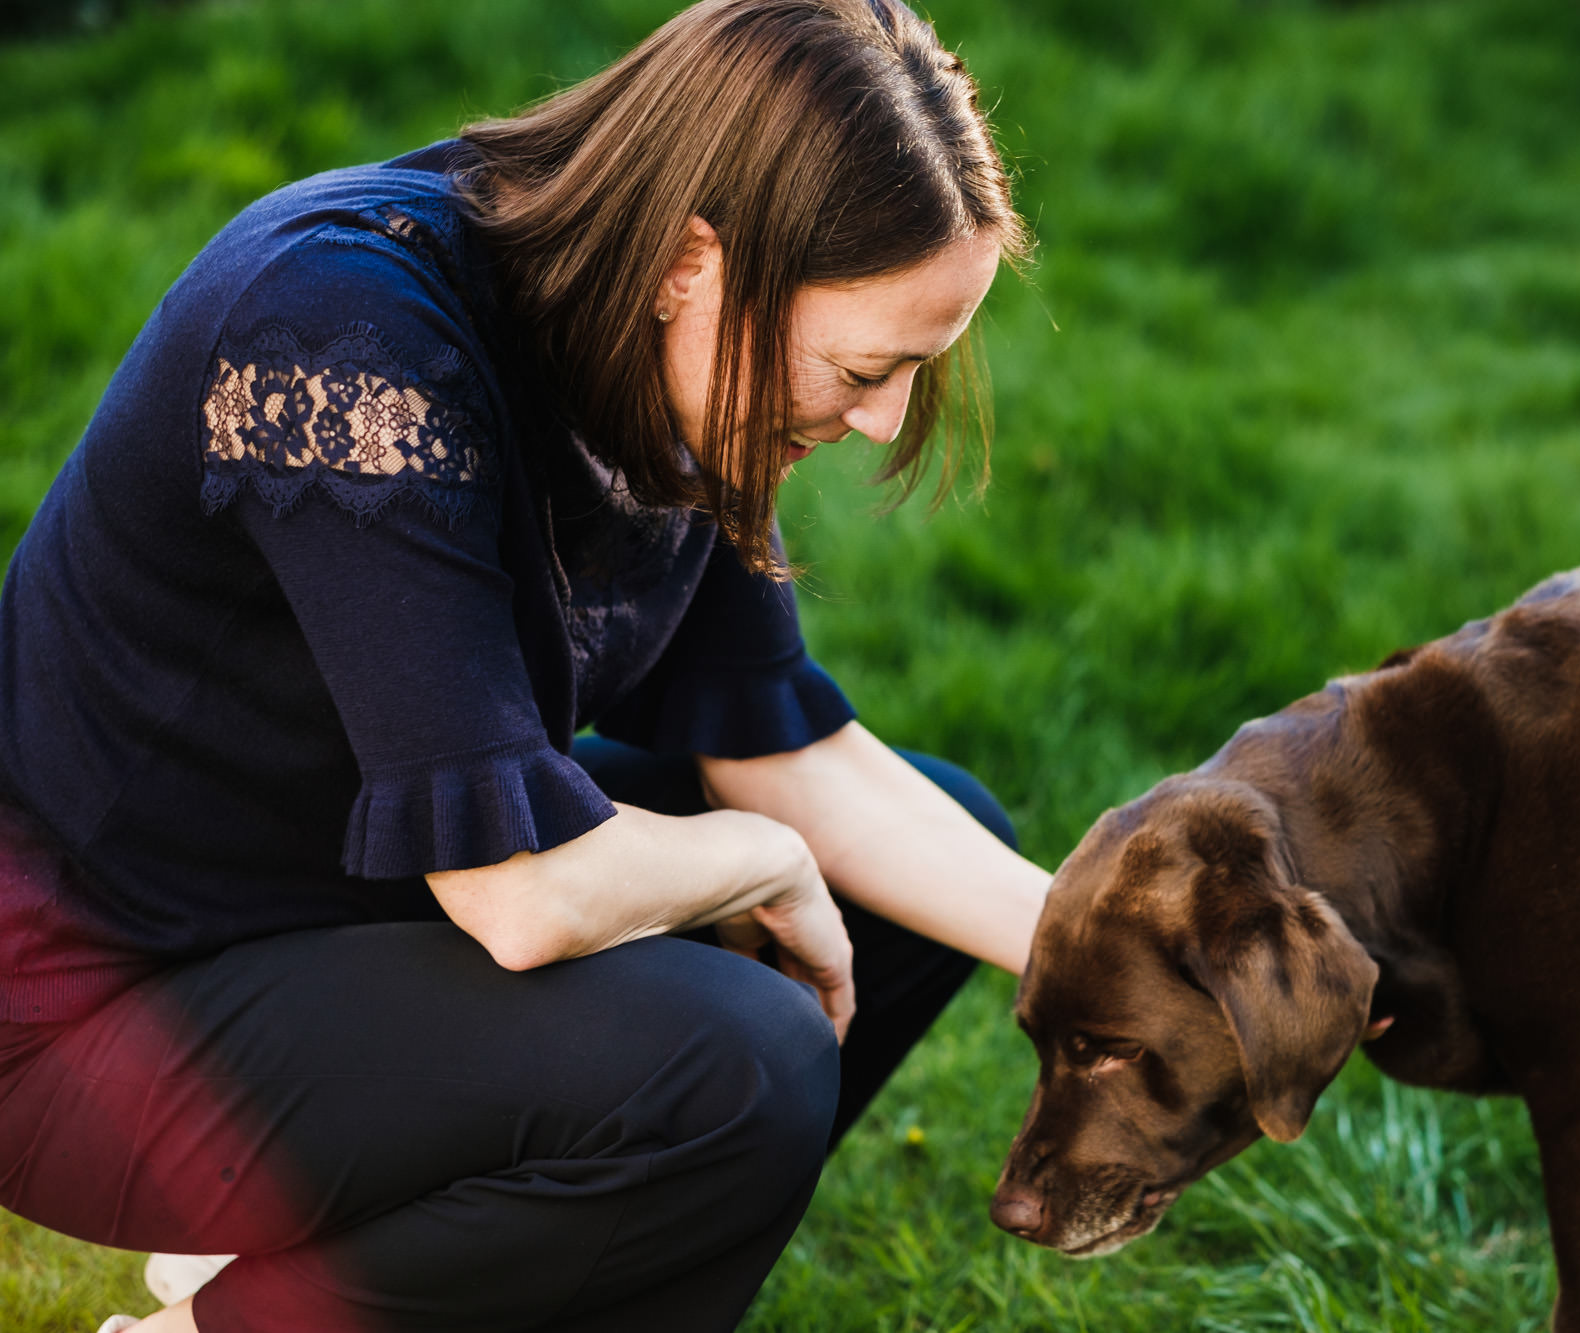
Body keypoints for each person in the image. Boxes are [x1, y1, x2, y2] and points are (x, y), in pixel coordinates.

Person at [0, 1, 1049, 1329]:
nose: (886, 416)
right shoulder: (344, 334)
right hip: (95, 1013)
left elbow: (787, 753)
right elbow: (524, 894)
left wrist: (1132, 951)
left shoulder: (661, 360)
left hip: (354, 901)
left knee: (931, 852)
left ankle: (408, 1252)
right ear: (691, 260)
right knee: (741, 1059)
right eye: (861, 365)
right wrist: (767, 865)